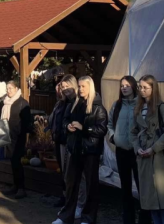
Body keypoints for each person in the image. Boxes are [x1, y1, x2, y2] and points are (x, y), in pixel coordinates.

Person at [53, 76, 108, 224]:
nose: (81, 89)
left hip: (90, 151)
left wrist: (84, 128)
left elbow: (102, 129)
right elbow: (65, 120)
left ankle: (88, 217)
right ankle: (66, 216)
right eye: (79, 86)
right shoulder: (75, 104)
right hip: (75, 149)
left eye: (83, 86)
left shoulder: (98, 107)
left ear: (90, 87)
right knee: (71, 185)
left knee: (90, 186)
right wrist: (68, 126)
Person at [131, 75, 164, 224]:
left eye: (145, 87)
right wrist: (137, 148)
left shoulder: (161, 107)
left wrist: (154, 148)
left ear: (153, 88)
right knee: (149, 200)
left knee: (161, 198)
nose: (142, 90)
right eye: (140, 87)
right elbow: (132, 132)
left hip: (157, 157)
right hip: (142, 156)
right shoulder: (138, 107)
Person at [107, 75, 149, 224]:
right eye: (122, 85)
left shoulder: (142, 104)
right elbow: (109, 124)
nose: (124, 88)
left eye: (127, 85)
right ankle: (128, 220)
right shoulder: (117, 105)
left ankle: (145, 220)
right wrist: (113, 138)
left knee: (142, 187)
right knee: (125, 188)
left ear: (134, 87)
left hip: (138, 153)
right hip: (122, 151)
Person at [2, 80, 32, 199]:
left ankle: (21, 188)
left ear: (16, 89)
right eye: (7, 89)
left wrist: (23, 135)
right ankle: (15, 185)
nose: (8, 91)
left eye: (10, 88)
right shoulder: (5, 103)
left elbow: (26, 122)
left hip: (18, 137)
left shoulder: (22, 103)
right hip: (7, 136)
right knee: (12, 162)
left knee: (17, 162)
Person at [47, 81, 68, 207]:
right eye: (59, 88)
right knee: (62, 170)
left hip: (64, 139)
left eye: (63, 88)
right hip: (58, 139)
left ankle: (67, 197)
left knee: (66, 170)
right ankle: (64, 195)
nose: (60, 90)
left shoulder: (67, 104)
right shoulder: (58, 104)